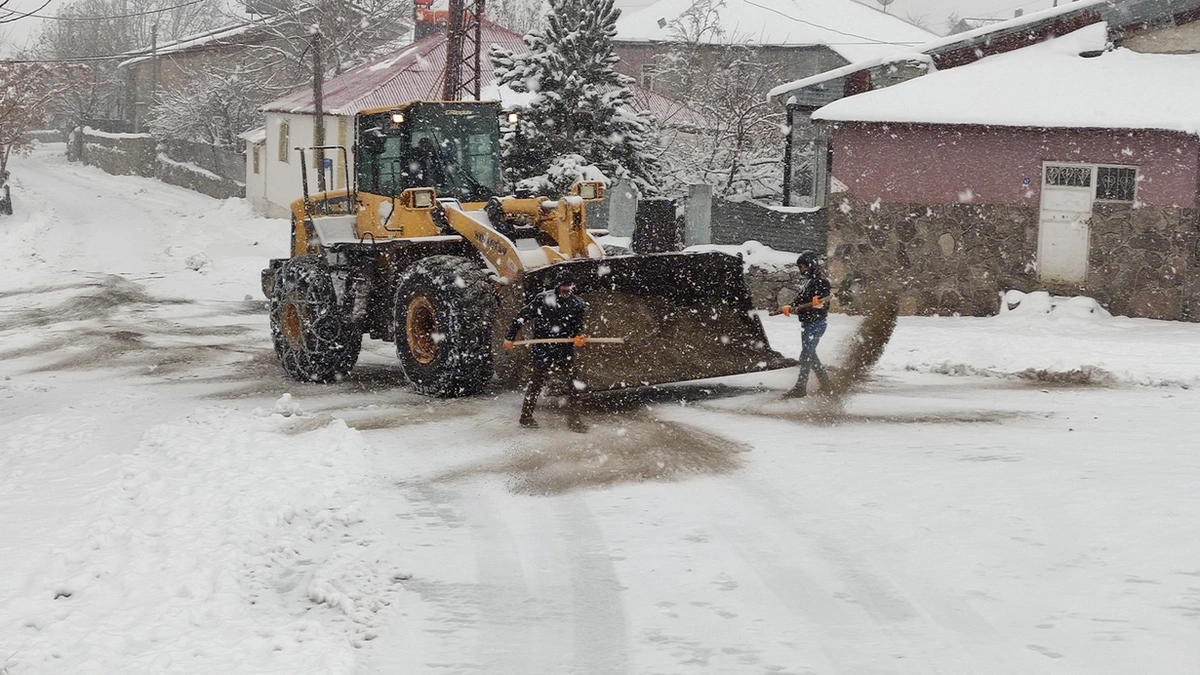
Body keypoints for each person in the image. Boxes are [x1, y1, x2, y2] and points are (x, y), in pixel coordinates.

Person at [503, 269, 589, 432]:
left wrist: (579, 335)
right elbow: (522, 316)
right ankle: (525, 417)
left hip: (565, 350)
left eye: (569, 286)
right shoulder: (543, 299)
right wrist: (510, 337)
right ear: (557, 285)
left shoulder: (577, 304)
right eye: (564, 286)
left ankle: (574, 420)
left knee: (575, 384)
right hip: (543, 350)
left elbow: (578, 325)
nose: (566, 289)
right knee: (536, 383)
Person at [781, 250, 832, 398]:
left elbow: (824, 303)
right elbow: (800, 300)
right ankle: (826, 384)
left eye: (804, 266)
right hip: (807, 324)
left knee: (806, 356)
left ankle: (800, 387)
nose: (802, 270)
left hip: (816, 324)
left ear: (812, 265)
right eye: (800, 267)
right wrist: (790, 306)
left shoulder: (822, 281)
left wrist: (819, 304)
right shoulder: (809, 282)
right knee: (811, 355)